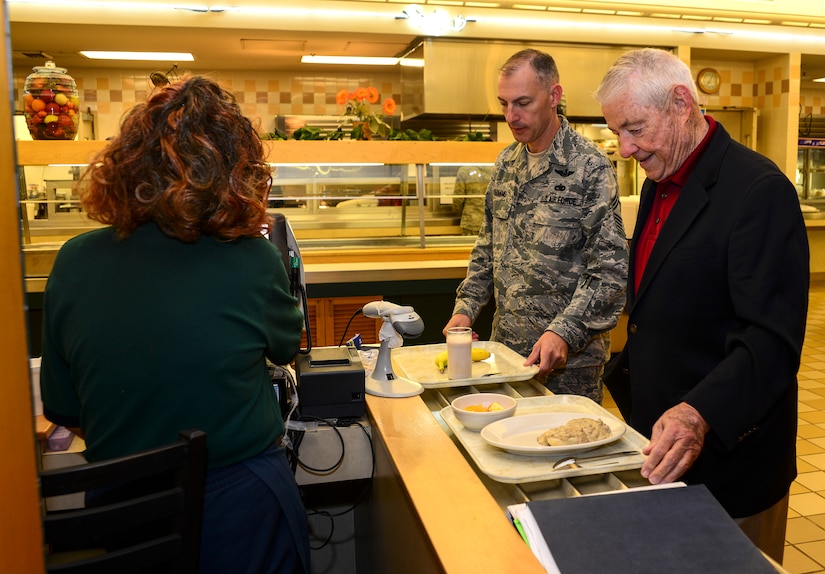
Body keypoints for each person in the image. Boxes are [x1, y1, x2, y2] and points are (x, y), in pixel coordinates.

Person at [39, 76, 310, 574]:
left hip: (123, 504)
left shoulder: (75, 260)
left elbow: (64, 408)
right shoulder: (250, 257)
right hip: (240, 498)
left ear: (125, 164)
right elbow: (286, 345)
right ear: (238, 171)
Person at [595, 48, 809, 563]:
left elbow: (771, 341)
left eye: (635, 129)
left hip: (730, 459)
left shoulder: (757, 190)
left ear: (681, 103)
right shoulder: (657, 182)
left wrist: (698, 413)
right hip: (661, 449)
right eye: (616, 133)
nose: (625, 149)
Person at [443, 49, 629, 403]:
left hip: (568, 368)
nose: (511, 116)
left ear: (554, 96)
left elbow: (609, 272)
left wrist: (563, 332)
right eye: (504, 104)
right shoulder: (506, 163)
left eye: (523, 103)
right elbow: (487, 248)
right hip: (506, 356)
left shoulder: (589, 166)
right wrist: (464, 309)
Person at [452, 164, 492, 236]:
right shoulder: (495, 169)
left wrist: (457, 214)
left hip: (470, 222)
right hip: (490, 221)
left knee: (468, 247)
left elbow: (458, 199)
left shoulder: (464, 170)